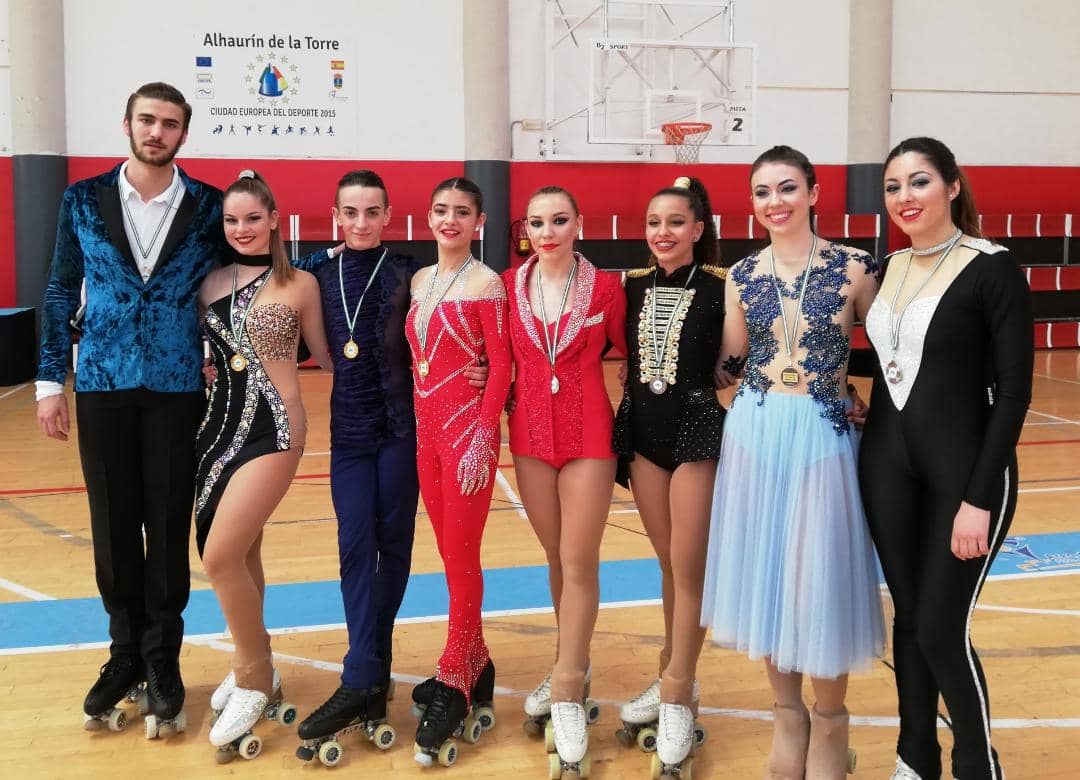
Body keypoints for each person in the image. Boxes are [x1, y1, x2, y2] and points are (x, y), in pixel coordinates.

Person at [36, 82, 226, 732]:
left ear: (182, 133)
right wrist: (46, 381)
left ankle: (161, 660)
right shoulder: (82, 199)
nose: (157, 131)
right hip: (103, 383)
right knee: (115, 527)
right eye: (148, 120)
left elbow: (243, 276)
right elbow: (61, 286)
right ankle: (123, 657)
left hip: (177, 387)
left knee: (168, 526)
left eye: (170, 123)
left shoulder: (207, 205)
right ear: (127, 125)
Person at [702, 146, 885, 779]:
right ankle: (788, 715)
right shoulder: (742, 274)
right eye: (761, 192)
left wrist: (865, 399)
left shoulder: (858, 267)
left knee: (821, 577)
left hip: (822, 432)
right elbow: (730, 361)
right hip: (755, 428)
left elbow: (892, 355)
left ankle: (831, 720)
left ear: (813, 192)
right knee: (766, 577)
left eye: (786, 188)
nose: (773, 202)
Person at [295, 170, 488, 763]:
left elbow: (452, 335)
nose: (360, 223)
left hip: (405, 434)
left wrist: (475, 367)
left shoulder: (412, 272)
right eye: (349, 212)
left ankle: (366, 680)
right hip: (349, 438)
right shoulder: (317, 273)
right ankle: (365, 674)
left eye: (371, 212)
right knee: (354, 548)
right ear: (335, 217)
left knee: (392, 552)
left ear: (388, 216)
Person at [859, 137, 1032, 780]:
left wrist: (979, 498)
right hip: (886, 467)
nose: (905, 197)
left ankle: (977, 768)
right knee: (909, 624)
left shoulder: (993, 267)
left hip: (966, 475)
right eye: (894, 186)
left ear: (953, 187)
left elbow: (1015, 390)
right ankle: (915, 759)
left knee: (938, 629)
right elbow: (893, 364)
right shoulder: (888, 268)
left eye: (920, 181)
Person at [193, 170, 332, 756]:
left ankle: (254, 675)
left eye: (253, 217)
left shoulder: (301, 284)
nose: (242, 228)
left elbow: (329, 358)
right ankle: (257, 664)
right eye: (232, 219)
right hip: (215, 427)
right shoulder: (206, 283)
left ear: (275, 220)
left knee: (218, 555)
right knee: (242, 554)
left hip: (276, 428)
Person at [503, 186, 626, 775]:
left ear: (579, 223)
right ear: (526, 229)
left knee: (579, 558)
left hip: (589, 437)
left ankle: (570, 687)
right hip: (528, 435)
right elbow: (497, 356)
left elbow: (629, 351)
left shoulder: (607, 288)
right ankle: (568, 659)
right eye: (537, 223)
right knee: (555, 555)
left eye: (558, 220)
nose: (547, 232)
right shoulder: (506, 285)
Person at [611, 176, 727, 776]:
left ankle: (678, 690)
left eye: (675, 222)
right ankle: (673, 673)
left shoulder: (721, 288)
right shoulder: (628, 289)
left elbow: (744, 360)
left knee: (690, 564)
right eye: (654, 222)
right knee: (667, 564)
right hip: (644, 433)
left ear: (698, 229)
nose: (662, 232)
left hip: (699, 429)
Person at [406, 177, 511, 767]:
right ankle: (478, 662)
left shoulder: (486, 283)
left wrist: (481, 434)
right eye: (441, 209)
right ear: (429, 216)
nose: (450, 219)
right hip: (427, 438)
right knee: (449, 554)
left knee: (464, 554)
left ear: (480, 220)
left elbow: (500, 368)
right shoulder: (421, 281)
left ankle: (455, 676)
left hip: (467, 435)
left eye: (462, 212)